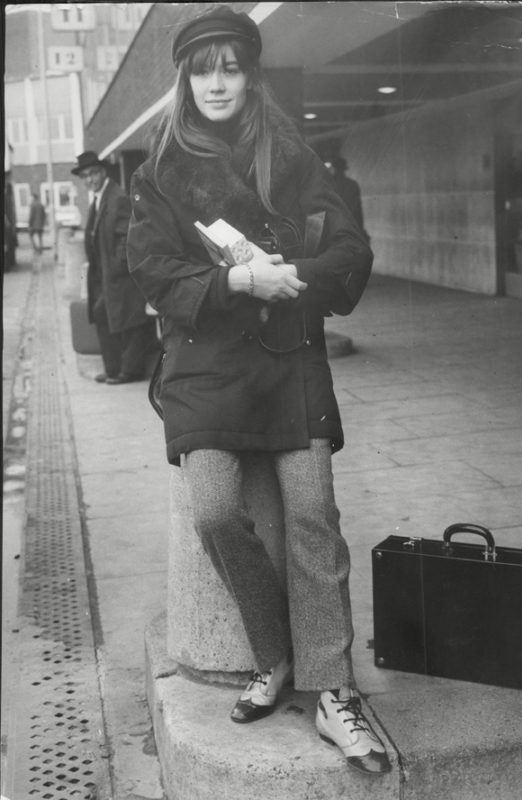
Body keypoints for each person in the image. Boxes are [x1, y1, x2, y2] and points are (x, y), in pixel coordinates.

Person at [127, 6, 391, 777]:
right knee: (213, 512)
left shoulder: (295, 157)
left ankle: (331, 689)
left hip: (291, 359)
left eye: (231, 66)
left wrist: (293, 278)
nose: (217, 82)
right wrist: (239, 278)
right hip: (206, 370)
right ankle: (274, 656)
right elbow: (153, 273)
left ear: (250, 72)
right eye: (203, 68)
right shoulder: (159, 172)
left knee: (312, 517)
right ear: (185, 78)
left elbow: (351, 251)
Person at [72, 151, 158, 384]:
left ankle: (130, 371)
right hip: (105, 276)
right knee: (104, 315)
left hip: (120, 276)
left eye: (93, 174)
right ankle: (113, 369)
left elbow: (127, 237)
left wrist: (118, 267)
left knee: (130, 322)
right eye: (85, 176)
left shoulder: (117, 197)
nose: (89, 180)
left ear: (102, 172)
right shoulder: (100, 197)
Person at [324, 156, 370, 243]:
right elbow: (358, 210)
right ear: (344, 169)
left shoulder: (330, 185)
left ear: (334, 168)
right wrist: (359, 229)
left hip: (335, 227)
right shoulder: (352, 184)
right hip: (350, 226)